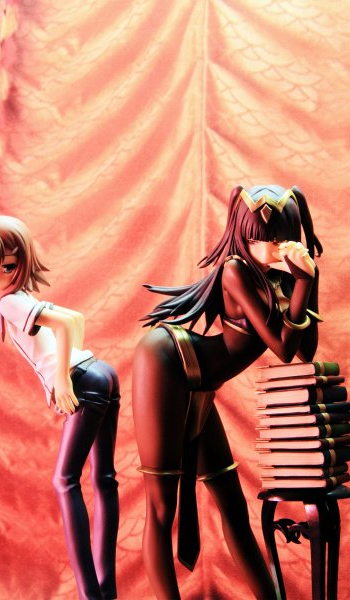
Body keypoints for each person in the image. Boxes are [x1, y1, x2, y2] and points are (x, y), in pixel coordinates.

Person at [132, 184, 322, 599]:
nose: (267, 248)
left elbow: (305, 350)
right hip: (167, 363)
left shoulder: (283, 276)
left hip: (202, 383)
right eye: (257, 239)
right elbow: (282, 347)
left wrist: (309, 280)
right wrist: (303, 282)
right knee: (161, 507)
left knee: (234, 506)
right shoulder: (236, 270)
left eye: (276, 238)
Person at [0, 216, 120, 600]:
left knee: (65, 481)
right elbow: (75, 320)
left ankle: (90, 595)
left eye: (5, 265)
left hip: (84, 381)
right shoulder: (23, 297)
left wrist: (62, 378)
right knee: (104, 479)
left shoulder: (11, 303)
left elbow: (67, 324)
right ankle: (106, 590)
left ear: (21, 262)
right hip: (102, 372)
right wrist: (70, 366)